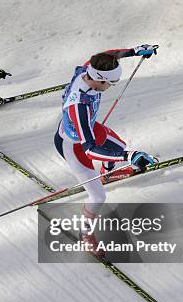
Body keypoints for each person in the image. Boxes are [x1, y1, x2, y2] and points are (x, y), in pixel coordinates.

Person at [54, 45, 158, 252]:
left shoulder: (88, 69)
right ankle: (85, 234)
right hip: (74, 146)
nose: (110, 87)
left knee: (120, 147)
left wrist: (135, 51)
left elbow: (108, 55)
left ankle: (106, 172)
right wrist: (130, 156)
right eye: (109, 83)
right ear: (99, 79)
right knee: (98, 196)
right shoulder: (79, 106)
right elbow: (90, 149)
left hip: (92, 128)